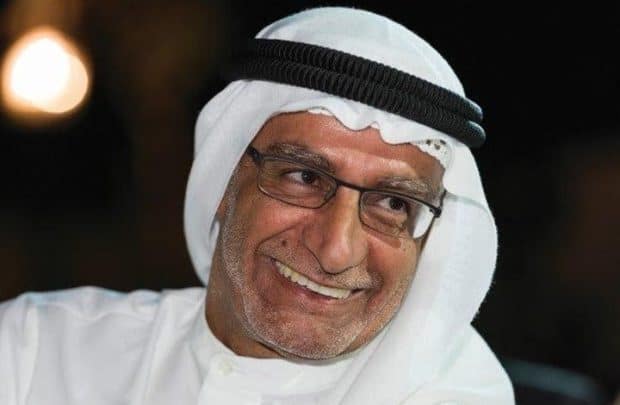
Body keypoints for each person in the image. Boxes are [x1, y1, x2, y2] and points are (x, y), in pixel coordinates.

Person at [0, 7, 515, 404]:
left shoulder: (453, 394)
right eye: (304, 177)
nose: (336, 250)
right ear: (225, 177)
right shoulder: (36, 351)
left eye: (393, 203)